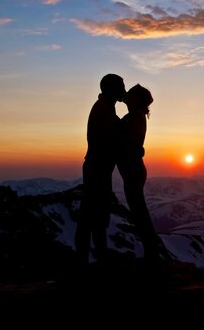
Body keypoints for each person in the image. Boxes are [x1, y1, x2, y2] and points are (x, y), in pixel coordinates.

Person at [75, 73, 125, 263]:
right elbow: (112, 140)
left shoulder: (106, 108)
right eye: (121, 86)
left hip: (98, 169)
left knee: (94, 216)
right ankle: (90, 261)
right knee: (92, 216)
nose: (124, 90)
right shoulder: (103, 110)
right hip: (97, 170)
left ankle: (91, 259)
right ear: (111, 89)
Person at [118, 84, 161, 262]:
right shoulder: (136, 116)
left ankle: (152, 254)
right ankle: (151, 252)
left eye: (130, 93)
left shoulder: (134, 117)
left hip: (133, 170)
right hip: (134, 169)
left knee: (139, 213)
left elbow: (122, 140)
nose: (126, 94)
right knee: (139, 211)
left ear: (137, 99)